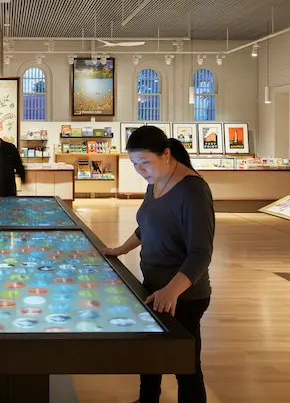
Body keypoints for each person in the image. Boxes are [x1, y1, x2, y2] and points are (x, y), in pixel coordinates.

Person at [103, 125, 214, 403]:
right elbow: (146, 227)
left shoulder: (193, 191)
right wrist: (119, 249)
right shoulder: (155, 182)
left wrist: (172, 291)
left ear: (166, 154)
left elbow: (201, 253)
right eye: (135, 164)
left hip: (184, 295)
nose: (140, 170)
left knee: (185, 366)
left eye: (144, 162)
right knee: (150, 353)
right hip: (154, 286)